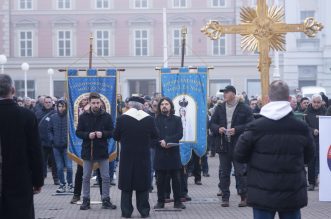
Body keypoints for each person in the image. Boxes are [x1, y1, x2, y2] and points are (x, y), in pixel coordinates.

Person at [234, 80, 315, 219]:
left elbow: (239, 155)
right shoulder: (301, 127)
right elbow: (309, 156)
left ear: (267, 99)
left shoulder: (255, 127)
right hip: (292, 190)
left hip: (261, 190)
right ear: (289, 99)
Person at [0, 74, 44, 219]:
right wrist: (38, 180)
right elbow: (36, 151)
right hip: (19, 179)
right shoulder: (27, 115)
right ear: (13, 90)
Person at [113, 96, 158, 218]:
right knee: (142, 184)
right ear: (142, 106)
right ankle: (144, 211)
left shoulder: (122, 119)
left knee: (127, 185)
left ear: (130, 105)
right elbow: (155, 136)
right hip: (143, 155)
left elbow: (115, 136)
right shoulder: (149, 119)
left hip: (127, 155)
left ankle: (126, 211)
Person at [210, 85, 253, 207]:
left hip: (239, 144)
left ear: (233, 94)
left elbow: (250, 124)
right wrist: (219, 128)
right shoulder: (219, 108)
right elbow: (211, 123)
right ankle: (225, 197)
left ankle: (244, 196)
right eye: (224, 92)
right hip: (223, 144)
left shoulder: (244, 108)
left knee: (240, 172)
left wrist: (237, 129)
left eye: (227, 92)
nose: (224, 94)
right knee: (224, 172)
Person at [76, 92, 116, 210]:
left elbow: (112, 132)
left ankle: (106, 200)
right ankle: (86, 200)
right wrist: (88, 135)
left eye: (97, 103)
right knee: (86, 177)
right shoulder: (83, 116)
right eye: (93, 103)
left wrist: (102, 134)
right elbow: (78, 132)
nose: (95, 105)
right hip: (88, 151)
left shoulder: (106, 116)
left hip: (102, 150)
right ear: (89, 103)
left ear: (101, 103)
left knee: (105, 177)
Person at [154, 97, 186, 210]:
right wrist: (160, 142)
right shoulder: (155, 120)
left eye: (166, 104)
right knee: (160, 180)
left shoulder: (177, 119)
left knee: (176, 179)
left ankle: (177, 202)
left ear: (171, 106)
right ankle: (160, 202)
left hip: (173, 154)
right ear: (159, 107)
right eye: (162, 104)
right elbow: (153, 136)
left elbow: (180, 134)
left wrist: (167, 140)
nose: (164, 106)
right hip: (160, 154)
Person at [48, 99, 73, 193]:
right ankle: (62, 185)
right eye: (59, 106)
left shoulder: (69, 117)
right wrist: (52, 139)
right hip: (56, 146)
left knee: (69, 167)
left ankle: (70, 184)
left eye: (63, 106)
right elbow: (49, 130)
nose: (61, 108)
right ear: (57, 107)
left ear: (66, 107)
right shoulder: (53, 117)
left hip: (67, 146)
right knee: (59, 167)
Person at [304, 94, 326, 191]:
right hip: (311, 140)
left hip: (324, 140)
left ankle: (325, 182)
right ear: (311, 102)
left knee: (323, 161)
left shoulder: (325, 111)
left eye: (318, 102)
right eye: (314, 102)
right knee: (311, 162)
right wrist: (313, 130)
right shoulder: (307, 112)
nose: (316, 104)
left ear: (321, 102)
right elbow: (305, 126)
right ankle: (312, 183)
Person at [35, 96, 58, 185]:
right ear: (43, 103)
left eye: (49, 102)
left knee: (54, 162)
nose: (48, 104)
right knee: (42, 162)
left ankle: (56, 178)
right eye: (46, 102)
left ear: (52, 103)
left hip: (53, 142)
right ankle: (42, 177)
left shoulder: (56, 113)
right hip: (42, 141)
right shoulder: (38, 113)